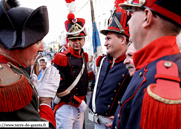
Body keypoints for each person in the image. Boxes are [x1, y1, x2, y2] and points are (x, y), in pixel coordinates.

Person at [0, 0, 59, 128]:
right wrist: (45, 102)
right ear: (19, 44)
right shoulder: (12, 87)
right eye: (38, 42)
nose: (42, 48)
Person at [111, 0, 181, 129]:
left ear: (147, 17)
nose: (128, 22)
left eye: (131, 14)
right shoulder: (154, 66)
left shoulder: (161, 80)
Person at [88, 1, 132, 129]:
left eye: (108, 39)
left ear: (123, 40)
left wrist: (123, 116)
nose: (105, 43)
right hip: (95, 121)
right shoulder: (103, 61)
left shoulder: (131, 64)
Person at [53, 13, 89, 129]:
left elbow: (83, 78)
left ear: (84, 40)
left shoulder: (84, 56)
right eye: (73, 39)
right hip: (66, 106)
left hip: (80, 107)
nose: (77, 42)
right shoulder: (61, 57)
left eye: (79, 38)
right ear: (68, 40)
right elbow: (59, 88)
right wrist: (78, 102)